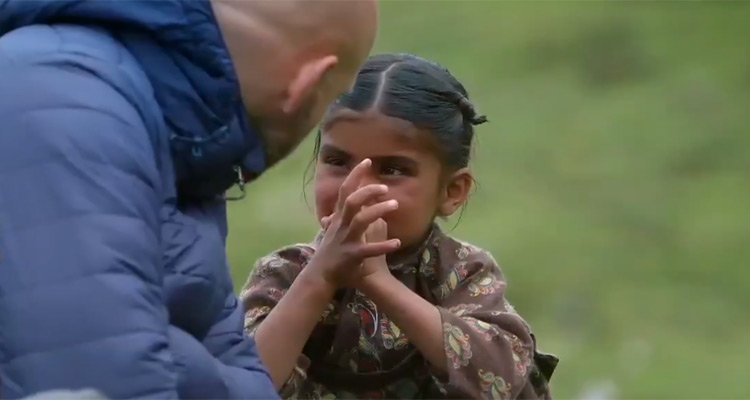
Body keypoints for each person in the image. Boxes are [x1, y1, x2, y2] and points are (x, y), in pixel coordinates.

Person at [0, 0, 377, 398]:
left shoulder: (179, 141)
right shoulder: (67, 103)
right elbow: (101, 377)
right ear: (305, 88)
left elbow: (232, 365)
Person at [240, 53, 559, 399]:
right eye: (337, 162)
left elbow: (501, 379)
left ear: (451, 191)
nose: (357, 188)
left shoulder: (462, 273)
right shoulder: (285, 274)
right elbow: (238, 385)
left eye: (392, 169)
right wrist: (320, 277)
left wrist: (378, 281)